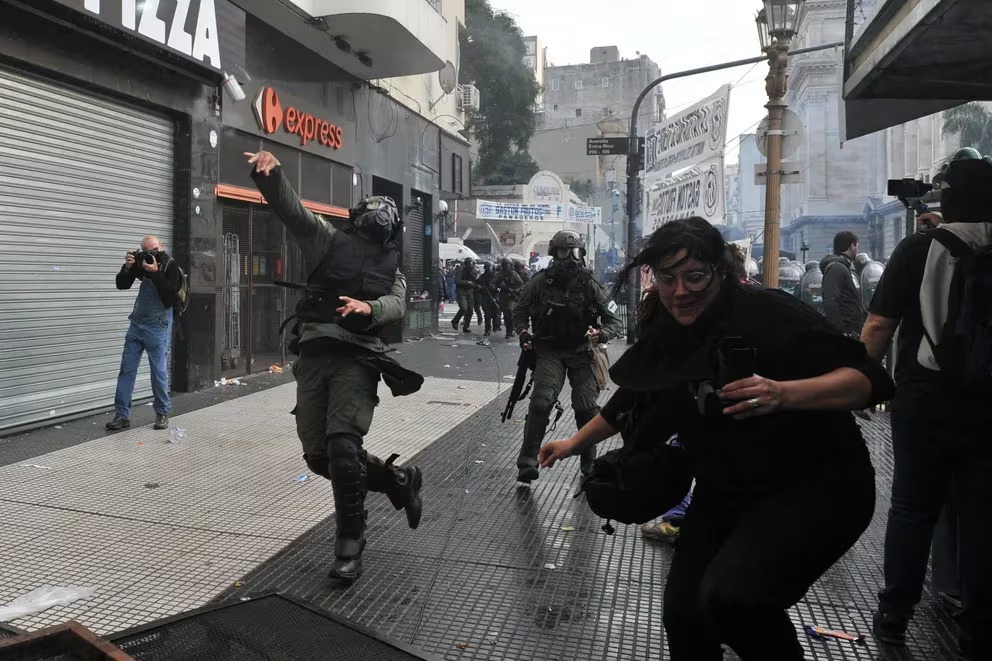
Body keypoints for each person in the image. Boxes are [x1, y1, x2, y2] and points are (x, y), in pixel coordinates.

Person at [539, 217, 893, 660]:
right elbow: (633, 399)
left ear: (719, 271)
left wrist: (782, 393)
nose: (680, 292)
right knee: (685, 615)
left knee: (734, 598)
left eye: (695, 277)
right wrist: (572, 444)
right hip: (727, 489)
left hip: (818, 486)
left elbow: (869, 381)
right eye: (668, 279)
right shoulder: (669, 327)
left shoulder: (768, 312)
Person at [245, 150, 423, 584]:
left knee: (344, 448)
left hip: (358, 358)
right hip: (315, 355)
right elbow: (295, 212)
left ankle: (350, 543)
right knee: (320, 457)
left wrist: (369, 306)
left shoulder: (391, 271)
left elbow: (396, 305)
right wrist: (271, 175)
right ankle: (399, 481)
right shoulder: (329, 241)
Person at [861, 153, 992, 660]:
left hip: (924, 399)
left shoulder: (919, 248)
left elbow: (877, 328)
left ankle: (895, 615)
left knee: (913, 506)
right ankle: (977, 627)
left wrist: (860, 381)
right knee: (983, 512)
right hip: (987, 404)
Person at [512, 230, 623, 484]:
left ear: (582, 254)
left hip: (582, 351)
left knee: (586, 409)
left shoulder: (591, 282)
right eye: (564, 252)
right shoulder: (541, 282)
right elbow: (520, 310)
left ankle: (589, 465)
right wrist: (523, 332)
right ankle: (527, 463)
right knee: (541, 401)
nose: (570, 258)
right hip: (549, 350)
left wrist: (601, 334)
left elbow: (615, 320)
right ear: (554, 254)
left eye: (574, 252)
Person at [106, 235, 183, 432]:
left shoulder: (171, 266)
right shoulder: (141, 263)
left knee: (158, 371)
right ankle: (122, 415)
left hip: (158, 326)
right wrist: (128, 268)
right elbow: (121, 284)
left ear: (161, 247)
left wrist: (155, 273)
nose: (152, 255)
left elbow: (170, 297)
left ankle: (162, 412)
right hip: (137, 324)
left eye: (155, 250)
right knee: (126, 370)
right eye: (148, 252)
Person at [820, 231, 865, 337]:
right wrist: (841, 331)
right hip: (845, 332)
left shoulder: (843, 266)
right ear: (852, 246)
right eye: (857, 246)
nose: (858, 250)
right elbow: (830, 302)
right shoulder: (836, 268)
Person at [493, 258, 524, 340]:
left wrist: (514, 290)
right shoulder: (499, 274)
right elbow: (492, 283)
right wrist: (497, 286)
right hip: (503, 295)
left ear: (510, 265)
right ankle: (508, 331)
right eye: (504, 265)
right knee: (506, 314)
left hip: (512, 296)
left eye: (507, 265)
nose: (505, 267)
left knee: (510, 310)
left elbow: (521, 285)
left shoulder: (514, 274)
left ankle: (512, 329)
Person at [451, 257, 478, 333]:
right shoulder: (460, 271)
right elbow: (457, 281)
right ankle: (455, 321)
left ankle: (466, 327)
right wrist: (467, 282)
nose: (470, 265)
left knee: (470, 311)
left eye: (471, 264)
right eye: (469, 263)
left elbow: (475, 281)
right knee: (463, 308)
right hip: (462, 292)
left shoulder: (474, 271)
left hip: (469, 291)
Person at [477, 261, 500, 336]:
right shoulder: (482, 277)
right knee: (487, 315)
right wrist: (481, 288)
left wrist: (496, 288)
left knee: (496, 313)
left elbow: (501, 285)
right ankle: (487, 329)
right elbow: (477, 286)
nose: (487, 269)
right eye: (486, 267)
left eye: (489, 267)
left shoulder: (497, 276)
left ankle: (496, 326)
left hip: (495, 297)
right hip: (486, 297)